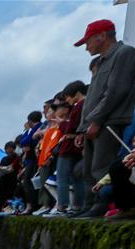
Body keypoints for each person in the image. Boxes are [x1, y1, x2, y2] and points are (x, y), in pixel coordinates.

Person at [74, 19, 135, 218]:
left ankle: (105, 203)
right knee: (89, 169)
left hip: (109, 122)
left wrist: (96, 120)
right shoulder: (101, 61)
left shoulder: (125, 53)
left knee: (102, 167)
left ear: (102, 36)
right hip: (94, 123)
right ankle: (90, 204)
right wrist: (82, 127)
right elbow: (93, 97)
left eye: (88, 41)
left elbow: (116, 91)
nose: (86, 47)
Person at [51, 80, 88, 216]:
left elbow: (72, 127)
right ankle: (78, 205)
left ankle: (62, 206)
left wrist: (61, 123)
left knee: (62, 178)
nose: (67, 100)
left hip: (68, 148)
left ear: (76, 93)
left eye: (67, 97)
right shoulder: (86, 104)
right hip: (78, 147)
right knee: (77, 178)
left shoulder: (79, 106)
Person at [0, 141, 20, 213]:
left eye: (9, 148)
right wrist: (4, 169)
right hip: (3, 181)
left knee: (9, 198)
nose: (8, 150)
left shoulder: (17, 157)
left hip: (12, 181)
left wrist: (3, 169)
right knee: (1, 198)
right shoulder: (4, 158)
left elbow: (11, 169)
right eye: (6, 148)